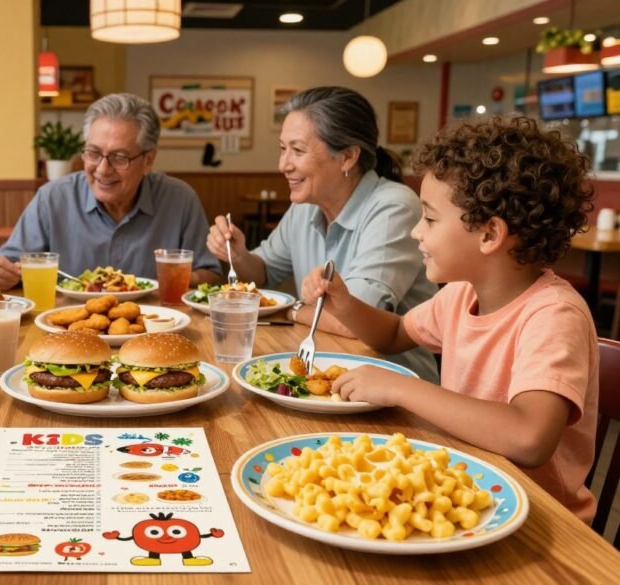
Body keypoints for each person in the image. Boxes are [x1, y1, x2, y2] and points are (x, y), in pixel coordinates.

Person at [300, 117, 598, 522]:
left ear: (489, 235)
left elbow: (530, 437)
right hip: (469, 498)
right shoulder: (461, 294)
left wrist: (401, 388)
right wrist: (345, 302)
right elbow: (394, 334)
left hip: (543, 521)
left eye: (429, 219)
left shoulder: (553, 316)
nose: (416, 232)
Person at [207, 86, 437, 382]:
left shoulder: (393, 207)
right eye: (283, 148)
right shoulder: (305, 205)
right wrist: (238, 254)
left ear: (347, 157)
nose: (283, 165)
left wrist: (290, 309)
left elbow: (352, 320)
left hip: (394, 387)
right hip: (323, 374)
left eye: (298, 150)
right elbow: (262, 273)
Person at [0, 93, 222, 290]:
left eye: (120, 157)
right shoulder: (53, 198)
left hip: (158, 324)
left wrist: (179, 277)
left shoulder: (180, 199)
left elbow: (213, 275)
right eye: (93, 153)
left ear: (148, 160)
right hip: (67, 325)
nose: (103, 169)